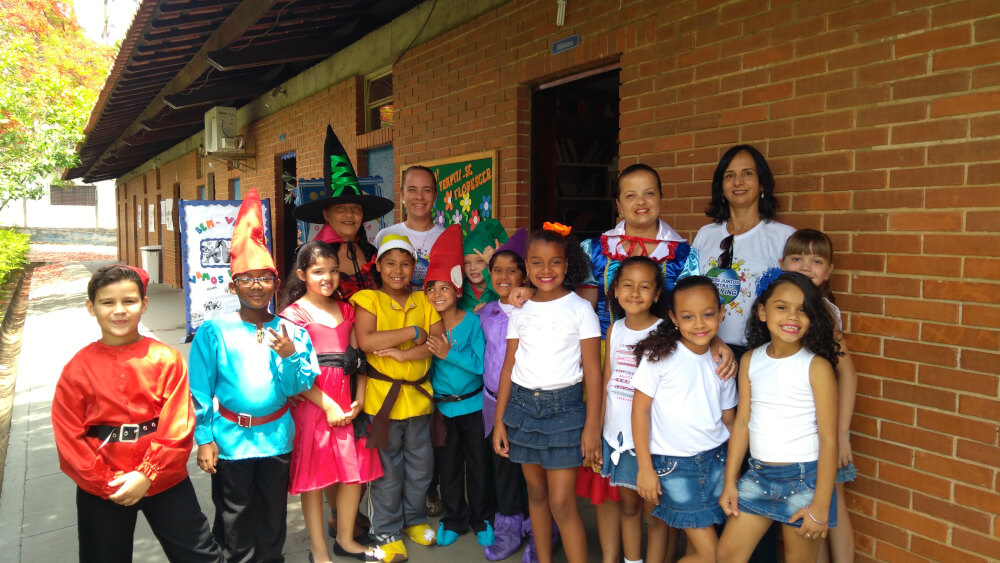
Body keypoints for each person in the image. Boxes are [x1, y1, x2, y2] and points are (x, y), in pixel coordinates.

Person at [52, 264, 222, 563]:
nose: (119, 310)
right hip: (103, 485)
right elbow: (69, 437)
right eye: (108, 302)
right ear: (91, 307)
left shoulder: (165, 358)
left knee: (199, 554)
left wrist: (148, 473)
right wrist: (106, 483)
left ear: (144, 303)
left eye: (129, 301)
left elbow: (178, 424)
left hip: (165, 479)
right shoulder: (77, 369)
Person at [190, 187, 319, 562]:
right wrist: (204, 437)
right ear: (233, 286)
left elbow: (298, 387)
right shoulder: (214, 332)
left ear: (276, 284)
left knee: (273, 514)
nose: (258, 286)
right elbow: (200, 388)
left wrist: (290, 356)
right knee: (235, 515)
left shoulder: (292, 331)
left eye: (265, 278)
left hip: (276, 438)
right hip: (231, 441)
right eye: (248, 279)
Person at [494, 224, 603, 563]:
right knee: (537, 495)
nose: (546, 270)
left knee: (561, 502)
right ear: (526, 266)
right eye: (537, 263)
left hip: (565, 411)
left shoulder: (580, 309)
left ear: (567, 266)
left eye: (555, 262)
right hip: (523, 409)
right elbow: (509, 367)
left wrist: (591, 428)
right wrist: (500, 422)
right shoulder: (520, 308)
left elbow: (593, 373)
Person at [716, 272, 841, 563]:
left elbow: (829, 440)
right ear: (762, 311)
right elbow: (743, 424)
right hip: (758, 475)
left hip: (805, 481)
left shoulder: (816, 367)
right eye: (782, 307)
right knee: (727, 555)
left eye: (802, 309)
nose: (792, 316)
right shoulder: (750, 360)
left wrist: (820, 507)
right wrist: (730, 482)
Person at [277, 240, 383, 563]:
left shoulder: (348, 309)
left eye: (334, 270)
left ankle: (346, 539)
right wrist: (327, 404)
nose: (328, 277)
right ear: (302, 274)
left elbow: (359, 360)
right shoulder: (292, 316)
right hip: (314, 404)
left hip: (348, 404)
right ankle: (318, 550)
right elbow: (293, 375)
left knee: (354, 473)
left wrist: (360, 400)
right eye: (318, 271)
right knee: (314, 478)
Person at [350, 234, 445, 563]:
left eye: (406, 263)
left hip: (418, 399)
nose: (398, 270)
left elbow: (436, 340)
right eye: (390, 262)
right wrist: (411, 333)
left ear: (414, 267)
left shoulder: (424, 300)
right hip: (382, 403)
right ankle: (386, 530)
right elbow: (366, 340)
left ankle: (414, 520)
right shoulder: (368, 299)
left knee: (421, 468)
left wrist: (406, 356)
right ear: (378, 266)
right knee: (388, 471)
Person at [631, 275, 739, 563]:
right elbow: (639, 411)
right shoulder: (659, 357)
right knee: (714, 555)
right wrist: (644, 467)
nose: (700, 324)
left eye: (708, 314)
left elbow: (729, 421)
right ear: (674, 317)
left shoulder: (722, 362)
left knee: (697, 550)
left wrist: (734, 471)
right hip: (674, 466)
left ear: (722, 313)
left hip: (716, 461)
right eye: (688, 316)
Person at [778, 229, 857, 563]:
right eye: (797, 258)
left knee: (831, 503)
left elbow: (849, 373)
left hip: (822, 431)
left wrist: (841, 434)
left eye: (816, 260)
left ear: (828, 271)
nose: (806, 266)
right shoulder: (778, 308)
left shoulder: (822, 313)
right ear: (782, 264)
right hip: (792, 431)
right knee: (809, 510)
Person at [422, 225, 497, 547]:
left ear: (457, 290)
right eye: (430, 289)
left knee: (479, 466)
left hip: (474, 405)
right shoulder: (426, 325)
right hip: (442, 408)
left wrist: (448, 353)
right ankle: (454, 519)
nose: (438, 295)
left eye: (444, 288)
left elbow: (482, 367)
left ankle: (482, 518)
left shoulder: (473, 321)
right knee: (448, 467)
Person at [596, 256, 671, 563]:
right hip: (617, 438)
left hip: (653, 442)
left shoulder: (667, 331)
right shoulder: (614, 330)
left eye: (644, 287)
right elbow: (607, 382)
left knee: (654, 516)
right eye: (627, 285)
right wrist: (599, 431)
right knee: (629, 508)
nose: (635, 293)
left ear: (656, 294)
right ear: (614, 290)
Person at [692, 145, 796, 359]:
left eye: (747, 173)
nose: (738, 182)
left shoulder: (782, 237)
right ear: (721, 186)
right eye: (730, 175)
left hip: (761, 354)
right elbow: (690, 292)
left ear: (762, 184)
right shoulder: (706, 235)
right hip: (706, 349)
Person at [477, 229, 534, 562]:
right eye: (497, 270)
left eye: (511, 269)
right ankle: (509, 525)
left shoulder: (534, 308)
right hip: (493, 400)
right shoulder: (485, 314)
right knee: (504, 466)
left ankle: (539, 525)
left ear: (523, 273)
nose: (503, 276)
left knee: (533, 467)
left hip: (528, 402)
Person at [294, 125, 395, 302]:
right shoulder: (310, 258)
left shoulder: (371, 252)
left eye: (356, 209)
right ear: (326, 214)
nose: (350, 214)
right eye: (340, 208)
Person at [374, 165, 445, 289]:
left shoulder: (446, 238)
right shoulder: (385, 236)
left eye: (426, 190)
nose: (419, 196)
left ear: (435, 195)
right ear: (402, 194)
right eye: (412, 189)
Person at [458, 218, 508, 311]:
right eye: (467, 263)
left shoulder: (500, 285)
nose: (472, 268)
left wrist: (495, 266)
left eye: (480, 261)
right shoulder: (459, 291)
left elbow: (508, 298)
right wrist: (472, 314)